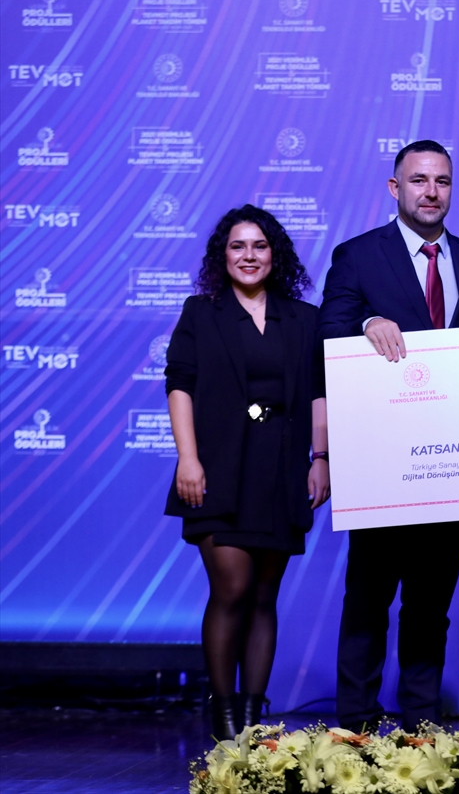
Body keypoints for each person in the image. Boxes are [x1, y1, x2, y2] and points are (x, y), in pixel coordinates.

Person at [318, 140, 459, 732]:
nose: (431, 191)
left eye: (442, 181)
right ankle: (355, 724)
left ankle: (422, 725)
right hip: (382, 460)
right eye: (418, 180)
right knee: (368, 600)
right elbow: (329, 331)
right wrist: (368, 321)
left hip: (452, 460)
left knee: (430, 603)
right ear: (395, 188)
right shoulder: (357, 255)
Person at [165, 205, 330, 740]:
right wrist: (188, 458)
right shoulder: (201, 312)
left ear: (275, 254)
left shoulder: (304, 319)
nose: (249, 255)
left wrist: (321, 458)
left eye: (259, 246)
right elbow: (180, 386)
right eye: (238, 246)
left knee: (263, 596)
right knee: (232, 587)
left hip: (280, 469)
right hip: (216, 468)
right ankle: (224, 716)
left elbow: (318, 393)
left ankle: (255, 725)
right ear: (223, 255)